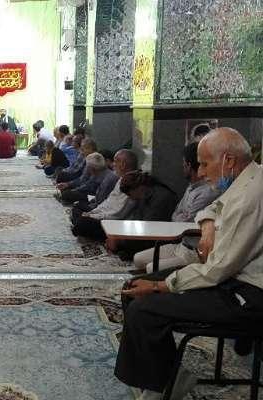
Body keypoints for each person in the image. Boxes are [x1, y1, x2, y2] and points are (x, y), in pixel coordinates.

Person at [115, 127, 263, 400]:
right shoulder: (245, 179)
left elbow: (215, 270)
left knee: (143, 308)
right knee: (132, 287)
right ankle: (168, 375)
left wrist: (160, 286)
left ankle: (163, 386)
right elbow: (211, 207)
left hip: (247, 294)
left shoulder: (250, 197)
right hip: (228, 278)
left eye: (205, 164)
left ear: (229, 160)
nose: (202, 172)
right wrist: (207, 227)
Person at [133, 142, 220, 273]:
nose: (182, 167)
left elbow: (187, 222)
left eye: (183, 164)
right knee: (138, 259)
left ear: (189, 165)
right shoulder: (191, 187)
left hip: (194, 251)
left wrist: (181, 216)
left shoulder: (208, 192)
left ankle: (157, 281)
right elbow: (175, 215)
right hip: (180, 245)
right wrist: (181, 215)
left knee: (152, 268)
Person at [105, 171, 177, 260]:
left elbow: (149, 230)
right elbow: (137, 220)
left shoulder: (161, 198)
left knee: (121, 244)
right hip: (148, 232)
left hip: (158, 237)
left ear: (138, 188)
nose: (130, 197)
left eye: (129, 194)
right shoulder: (145, 194)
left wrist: (120, 241)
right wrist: (118, 235)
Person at [71, 149, 138, 241]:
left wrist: (93, 216)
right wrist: (92, 213)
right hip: (103, 216)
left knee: (82, 222)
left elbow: (117, 214)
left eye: (115, 161)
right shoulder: (121, 179)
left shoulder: (132, 184)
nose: (113, 164)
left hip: (113, 223)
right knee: (79, 214)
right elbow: (108, 202)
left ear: (123, 164)